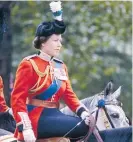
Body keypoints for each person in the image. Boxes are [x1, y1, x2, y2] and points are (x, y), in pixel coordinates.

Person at [11, 1, 95, 142]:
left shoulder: (60, 66)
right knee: (84, 129)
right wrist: (25, 127)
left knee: (90, 124)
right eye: (56, 40)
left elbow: (69, 95)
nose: (60, 45)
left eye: (60, 41)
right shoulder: (29, 64)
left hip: (55, 114)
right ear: (43, 42)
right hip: (36, 118)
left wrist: (83, 113)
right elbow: (17, 99)